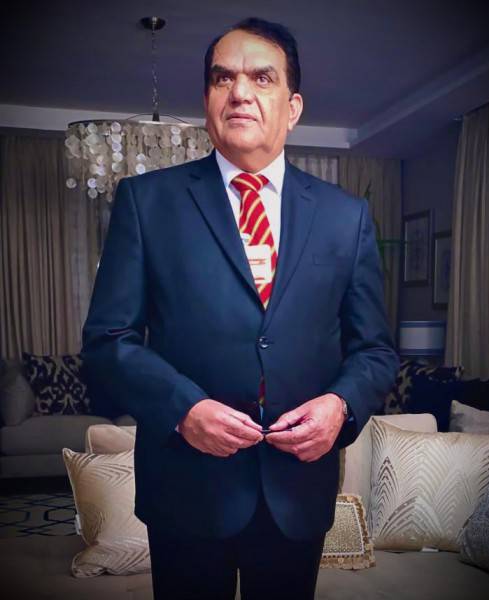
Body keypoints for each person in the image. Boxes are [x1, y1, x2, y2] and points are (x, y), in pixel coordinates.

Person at [82, 17, 399, 600]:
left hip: (297, 492)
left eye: (262, 77)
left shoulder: (345, 217)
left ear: (293, 107)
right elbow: (108, 340)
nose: (240, 92)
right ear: (207, 100)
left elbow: (374, 350)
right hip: (185, 489)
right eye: (222, 78)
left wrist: (340, 406)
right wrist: (182, 408)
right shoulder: (147, 202)